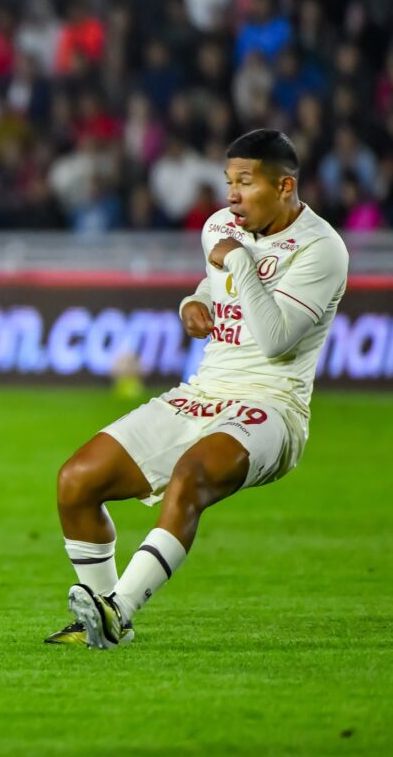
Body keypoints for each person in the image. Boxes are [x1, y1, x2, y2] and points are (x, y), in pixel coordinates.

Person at [45, 129, 348, 648]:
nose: (230, 194)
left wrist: (236, 262)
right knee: (76, 481)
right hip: (204, 393)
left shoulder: (322, 250)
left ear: (285, 186)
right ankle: (99, 622)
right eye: (228, 180)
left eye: (245, 182)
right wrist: (194, 299)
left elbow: (275, 341)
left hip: (271, 407)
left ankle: (118, 608)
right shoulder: (220, 228)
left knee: (191, 476)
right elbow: (217, 283)